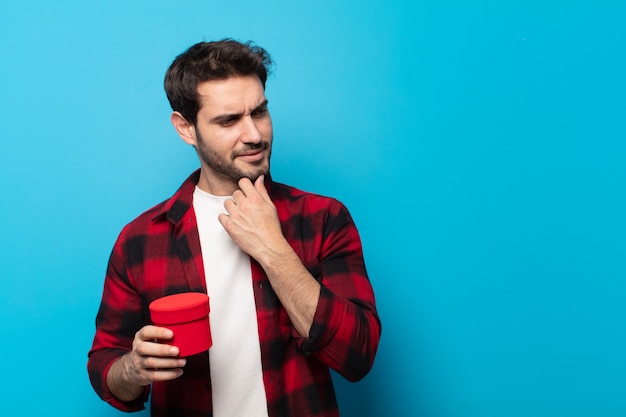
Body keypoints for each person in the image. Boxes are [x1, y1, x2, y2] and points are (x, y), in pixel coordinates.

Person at [87, 39, 381, 417]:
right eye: (229, 120)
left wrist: (273, 249)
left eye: (260, 112)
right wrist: (132, 368)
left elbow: (358, 354)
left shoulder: (322, 218)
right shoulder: (141, 240)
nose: (254, 135)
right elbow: (104, 363)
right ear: (185, 128)